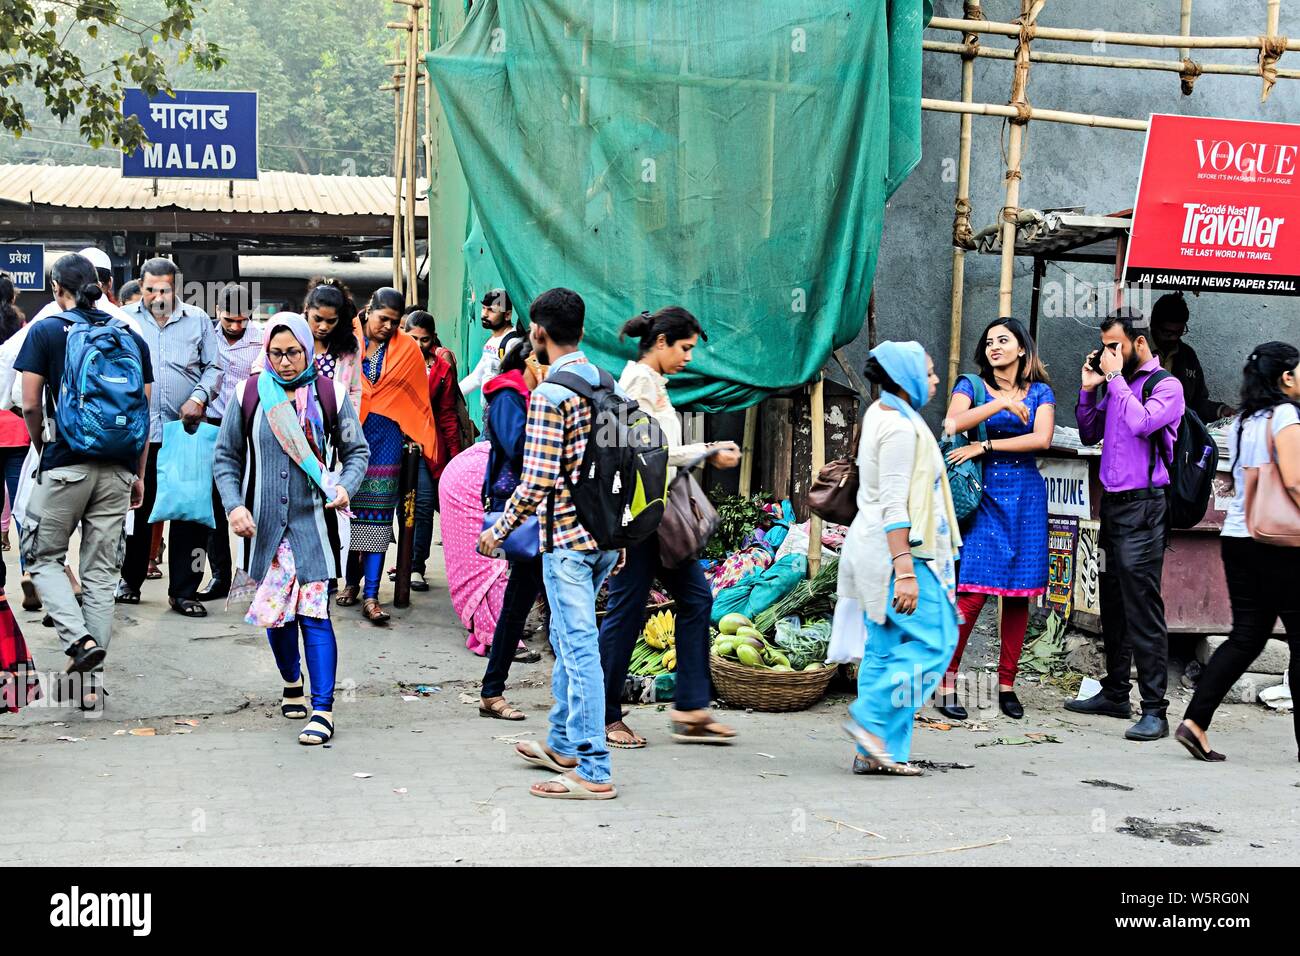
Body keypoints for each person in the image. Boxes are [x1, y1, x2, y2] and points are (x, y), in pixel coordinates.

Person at [477, 288, 620, 800]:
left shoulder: (549, 394)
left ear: (538, 332)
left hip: (568, 543)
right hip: (604, 537)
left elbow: (535, 481)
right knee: (567, 639)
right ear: (580, 329)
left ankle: (594, 770)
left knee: (579, 648)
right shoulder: (607, 382)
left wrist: (496, 531)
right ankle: (562, 741)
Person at [214, 315, 369, 745]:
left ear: (307, 350)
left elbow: (358, 451)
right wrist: (235, 507)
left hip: (314, 529)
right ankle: (291, 679)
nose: (284, 362)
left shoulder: (328, 395)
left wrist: (344, 486)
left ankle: (323, 710)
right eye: (277, 353)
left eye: (294, 353)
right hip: (264, 532)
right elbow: (226, 458)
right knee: (276, 619)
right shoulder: (249, 395)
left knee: (314, 617)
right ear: (266, 352)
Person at [15, 253, 154, 711]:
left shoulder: (47, 330)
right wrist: (138, 474)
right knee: (100, 573)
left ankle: (78, 643)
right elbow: (143, 415)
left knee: (43, 556)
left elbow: (31, 405)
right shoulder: (132, 338)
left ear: (58, 289)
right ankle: (89, 686)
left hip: (65, 463)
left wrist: (42, 446)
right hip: (117, 468)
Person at [597, 307, 740, 747]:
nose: (689, 358)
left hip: (660, 515)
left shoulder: (653, 383)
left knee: (697, 597)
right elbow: (649, 451)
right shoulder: (637, 383)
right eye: (685, 348)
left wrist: (700, 450)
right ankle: (601, 714)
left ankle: (692, 708)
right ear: (661, 342)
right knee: (625, 611)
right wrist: (706, 451)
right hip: (642, 517)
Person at [838, 342, 961, 776]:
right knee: (936, 641)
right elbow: (894, 505)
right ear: (906, 377)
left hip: (877, 550)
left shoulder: (882, 412)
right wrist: (905, 570)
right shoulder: (900, 429)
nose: (935, 380)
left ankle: (877, 751)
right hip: (898, 554)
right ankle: (870, 719)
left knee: (887, 649)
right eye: (928, 373)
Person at [1177, 342, 1300, 763]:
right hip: (1280, 542)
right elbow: (1296, 481)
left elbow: (1233, 482)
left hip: (1238, 537)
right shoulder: (1285, 415)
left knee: (1247, 636)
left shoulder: (1245, 421)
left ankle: (1195, 721)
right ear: (1286, 377)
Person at [1066, 308, 1185, 741]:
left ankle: (1155, 709)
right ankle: (1116, 692)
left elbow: (1142, 422)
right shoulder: (1119, 385)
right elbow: (1087, 432)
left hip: (1146, 508)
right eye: (1104, 347)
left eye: (1114, 346)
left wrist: (1114, 382)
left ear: (1138, 343)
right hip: (1112, 507)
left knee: (1142, 605)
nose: (1107, 354)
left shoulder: (1165, 386)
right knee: (1112, 599)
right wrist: (1088, 389)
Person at [937, 317, 1054, 721]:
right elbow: (952, 423)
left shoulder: (1040, 391)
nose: (994, 347)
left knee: (1019, 595)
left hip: (1026, 497)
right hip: (984, 495)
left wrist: (984, 444)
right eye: (989, 341)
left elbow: (1042, 439)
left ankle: (1006, 684)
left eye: (1003, 340)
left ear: (1022, 348)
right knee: (971, 591)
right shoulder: (970, 384)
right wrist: (1000, 403)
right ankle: (945, 681)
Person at [116, 257, 221, 616]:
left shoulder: (199, 321)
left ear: (176, 287)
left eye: (165, 289)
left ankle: (184, 592)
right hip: (136, 432)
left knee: (190, 514)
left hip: (185, 432)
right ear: (140, 287)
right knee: (136, 510)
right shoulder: (124, 320)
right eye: (150, 289)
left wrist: (199, 397)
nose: (157, 296)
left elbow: (214, 367)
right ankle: (129, 580)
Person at [337, 288, 441, 624]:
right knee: (348, 516)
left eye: (395, 323)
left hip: (386, 442)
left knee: (379, 519)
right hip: (346, 439)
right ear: (369, 310)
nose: (388, 327)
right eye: (384, 319)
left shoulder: (406, 349)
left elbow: (416, 398)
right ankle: (351, 584)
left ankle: (371, 594)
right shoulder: (345, 339)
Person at [476, 339, 545, 720]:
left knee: (524, 600)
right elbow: (518, 447)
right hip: (523, 510)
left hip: (545, 510)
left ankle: (492, 690)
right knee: (518, 600)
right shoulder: (507, 395)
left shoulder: (533, 396)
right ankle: (491, 691)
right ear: (529, 361)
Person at [196, 284, 265, 602]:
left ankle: (257, 576)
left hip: (251, 430)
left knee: (255, 502)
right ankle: (221, 576)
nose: (237, 327)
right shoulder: (205, 338)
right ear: (218, 313)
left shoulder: (262, 339)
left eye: (242, 320)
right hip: (211, 427)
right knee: (213, 505)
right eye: (229, 320)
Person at [398, 310, 462, 592]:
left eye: (424, 340)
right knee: (395, 506)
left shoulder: (441, 369)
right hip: (391, 443)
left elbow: (447, 414)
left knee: (422, 504)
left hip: (425, 447)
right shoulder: (388, 360)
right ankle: (396, 562)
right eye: (413, 338)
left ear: (432, 338)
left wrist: (456, 456)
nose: (418, 344)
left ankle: (415, 567)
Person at [1150, 292, 1231, 424]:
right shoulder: (1136, 351)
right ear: (1153, 325)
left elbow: (1197, 402)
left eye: (1179, 332)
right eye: (1168, 332)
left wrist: (1219, 410)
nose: (1174, 338)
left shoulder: (1187, 356)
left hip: (1178, 432)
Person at [303, 277, 364, 412]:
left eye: (331, 321)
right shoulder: (291, 334)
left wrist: (350, 424)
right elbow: (260, 368)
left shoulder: (349, 345)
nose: (323, 327)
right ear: (307, 309)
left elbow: (354, 390)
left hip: (334, 422)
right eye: (317, 319)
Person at [458, 289, 523, 412]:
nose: (484, 314)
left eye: (491, 310)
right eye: (483, 308)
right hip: (490, 411)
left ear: (507, 315)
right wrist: (451, 395)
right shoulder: (491, 341)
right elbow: (477, 377)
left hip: (504, 411)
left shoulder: (512, 343)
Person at [0, 274, 27, 556]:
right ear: (13, 298)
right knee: (23, 505)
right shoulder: (24, 329)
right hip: (18, 427)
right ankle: (30, 570)